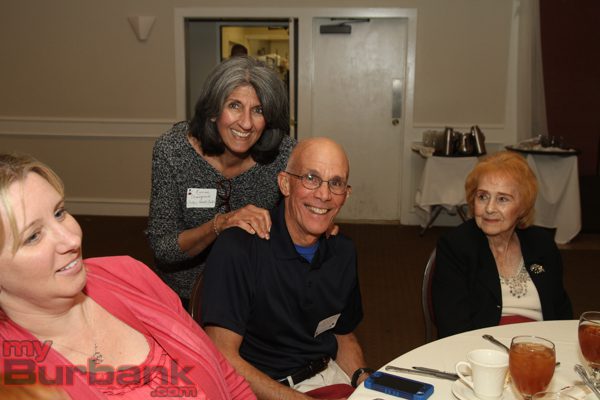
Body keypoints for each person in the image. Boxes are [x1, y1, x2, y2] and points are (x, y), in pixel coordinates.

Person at [0, 153, 254, 399]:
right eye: (33, 236)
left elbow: (228, 380)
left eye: (59, 213)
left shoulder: (127, 274)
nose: (72, 239)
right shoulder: (10, 380)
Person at [201, 138, 371, 400]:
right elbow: (222, 355)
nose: (324, 195)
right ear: (284, 183)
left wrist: (363, 379)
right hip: (259, 388)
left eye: (336, 183)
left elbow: (341, 333)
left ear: (346, 195)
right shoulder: (239, 248)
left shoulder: (343, 252)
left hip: (327, 374)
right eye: (311, 178)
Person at [146, 56, 295, 308]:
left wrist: (316, 219)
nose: (246, 123)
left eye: (258, 110)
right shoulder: (173, 150)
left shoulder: (284, 155)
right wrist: (220, 224)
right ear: (213, 111)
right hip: (182, 294)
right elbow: (163, 248)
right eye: (234, 105)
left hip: (254, 290)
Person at [432, 151, 572, 338]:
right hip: (483, 349)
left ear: (523, 206)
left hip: (541, 347)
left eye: (502, 199)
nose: (489, 208)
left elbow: (562, 312)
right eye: (483, 197)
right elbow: (453, 327)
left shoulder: (542, 244)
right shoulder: (456, 247)